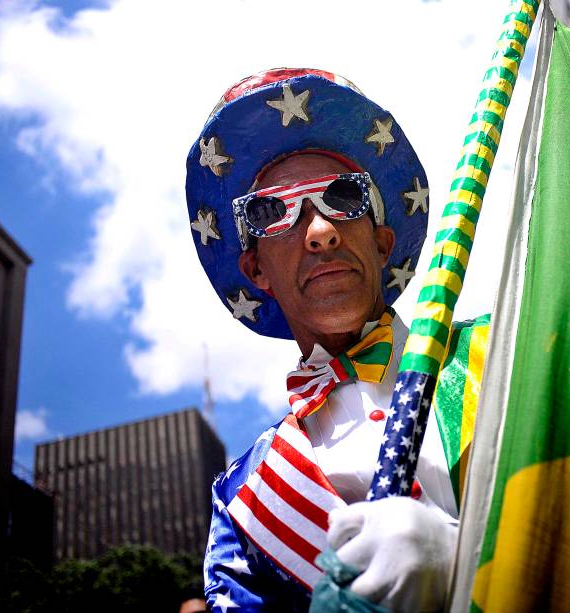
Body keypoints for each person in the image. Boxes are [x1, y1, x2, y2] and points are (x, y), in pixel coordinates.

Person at [185, 68, 489, 612]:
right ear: (256, 270)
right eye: (272, 212)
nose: (320, 230)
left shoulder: (507, 348)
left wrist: (472, 565)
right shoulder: (243, 500)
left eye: (343, 198)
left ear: (381, 241)